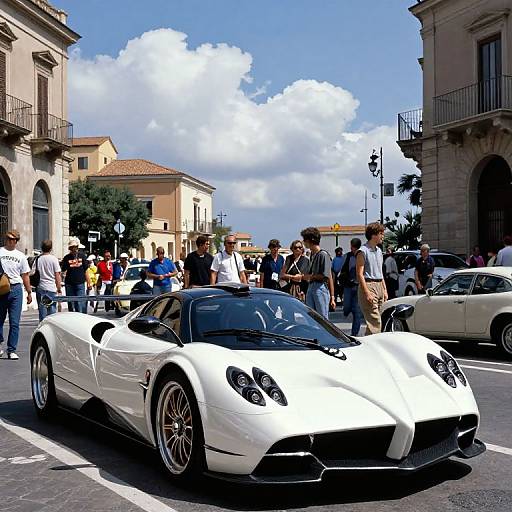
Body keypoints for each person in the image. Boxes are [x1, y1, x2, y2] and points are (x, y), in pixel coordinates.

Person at [0, 230, 32, 359]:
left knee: (14, 322)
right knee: (0, 319)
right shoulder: (0, 251)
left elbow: (25, 275)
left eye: (12, 239)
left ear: (16, 241)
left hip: (16, 289)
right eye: (7, 238)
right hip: (1, 288)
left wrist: (29, 292)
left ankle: (11, 349)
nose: (9, 240)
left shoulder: (20, 256)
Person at [356, 223, 387, 335]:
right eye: (381, 234)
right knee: (375, 322)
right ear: (373, 235)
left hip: (379, 285)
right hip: (369, 285)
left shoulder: (379, 251)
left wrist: (384, 289)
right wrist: (367, 292)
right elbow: (359, 274)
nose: (383, 236)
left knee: (375, 323)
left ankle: (368, 346)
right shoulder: (363, 251)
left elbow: (380, 272)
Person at [301, 227, 336, 318]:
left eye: (305, 239)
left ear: (310, 240)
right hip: (312, 287)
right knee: (311, 317)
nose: (304, 242)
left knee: (322, 318)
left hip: (320, 287)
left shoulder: (323, 255)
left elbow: (326, 276)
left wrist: (309, 277)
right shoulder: (312, 254)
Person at [34, 239, 62, 322]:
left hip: (41, 287)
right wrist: (59, 287)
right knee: (52, 310)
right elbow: (57, 275)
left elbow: (35, 272)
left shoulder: (38, 259)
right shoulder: (54, 259)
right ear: (51, 248)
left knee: (42, 311)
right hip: (51, 287)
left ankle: (42, 328)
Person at [340, 238, 363, 336]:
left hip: (357, 286)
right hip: (348, 285)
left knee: (356, 312)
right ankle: (348, 311)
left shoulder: (361, 256)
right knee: (347, 307)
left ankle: (354, 333)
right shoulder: (347, 256)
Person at [61, 238, 90, 314]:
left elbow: (86, 270)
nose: (74, 249)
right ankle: (72, 317)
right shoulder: (66, 258)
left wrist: (89, 282)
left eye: (75, 247)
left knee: (80, 303)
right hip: (69, 283)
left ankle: (80, 317)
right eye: (72, 247)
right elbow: (63, 269)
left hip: (80, 283)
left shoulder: (82, 256)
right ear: (70, 248)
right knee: (71, 303)